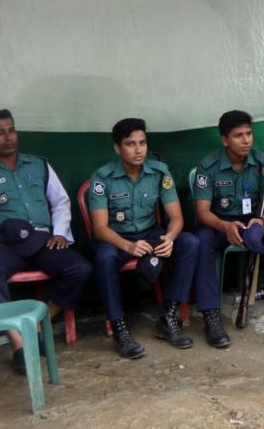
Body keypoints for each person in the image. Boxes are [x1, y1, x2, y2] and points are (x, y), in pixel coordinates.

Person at [0, 109, 92, 374]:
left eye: (11, 130)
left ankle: (37, 324)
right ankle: (18, 341)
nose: (8, 138)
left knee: (80, 269)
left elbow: (60, 202)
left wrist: (60, 232)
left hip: (42, 240)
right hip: (4, 244)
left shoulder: (39, 165)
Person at [88, 118, 198, 359]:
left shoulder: (159, 172)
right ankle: (119, 328)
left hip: (150, 233)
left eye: (142, 143)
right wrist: (128, 245)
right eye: (130, 144)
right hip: (116, 238)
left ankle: (168, 317)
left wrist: (169, 238)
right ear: (117, 148)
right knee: (105, 258)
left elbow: (176, 217)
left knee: (190, 242)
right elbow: (100, 228)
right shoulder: (102, 178)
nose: (138, 150)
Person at [193, 110, 264, 338]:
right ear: (225, 140)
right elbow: (202, 212)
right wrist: (224, 226)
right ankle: (211, 315)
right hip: (222, 222)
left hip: (256, 220)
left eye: (249, 134)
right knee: (201, 241)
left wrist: (263, 220)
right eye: (239, 136)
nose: (246, 140)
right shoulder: (209, 166)